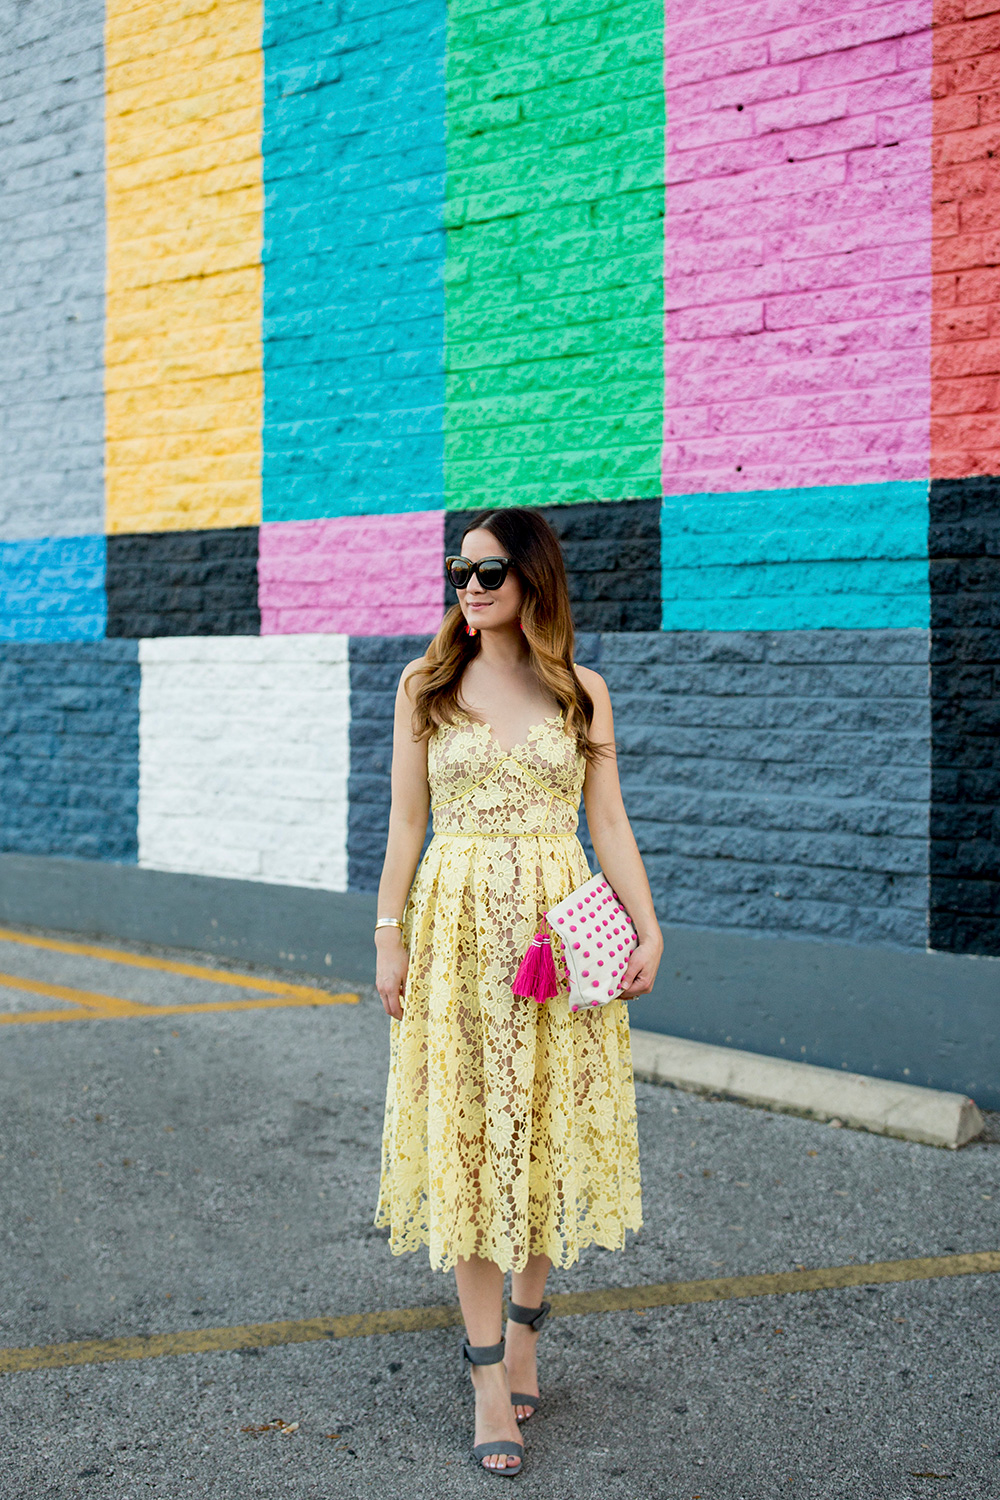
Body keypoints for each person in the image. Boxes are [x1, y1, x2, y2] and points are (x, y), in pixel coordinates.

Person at [373, 507, 662, 1476]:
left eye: (489, 570)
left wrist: (648, 923)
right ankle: (486, 1375)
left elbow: (608, 821)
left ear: (532, 580)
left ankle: (527, 1330)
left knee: (539, 1133)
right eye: (460, 569)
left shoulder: (582, 692)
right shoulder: (426, 686)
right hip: (455, 938)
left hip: (555, 928)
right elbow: (404, 830)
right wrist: (387, 939)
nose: (470, 585)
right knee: (469, 1141)